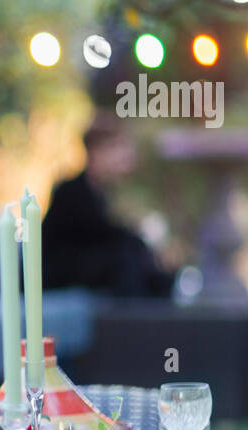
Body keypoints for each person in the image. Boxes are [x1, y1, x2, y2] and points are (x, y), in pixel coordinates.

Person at [41, 111, 174, 297]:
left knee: (130, 253)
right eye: (116, 148)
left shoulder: (99, 192)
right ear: (97, 152)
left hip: (80, 268)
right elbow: (98, 235)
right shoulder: (71, 190)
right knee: (125, 255)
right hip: (54, 275)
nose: (123, 157)